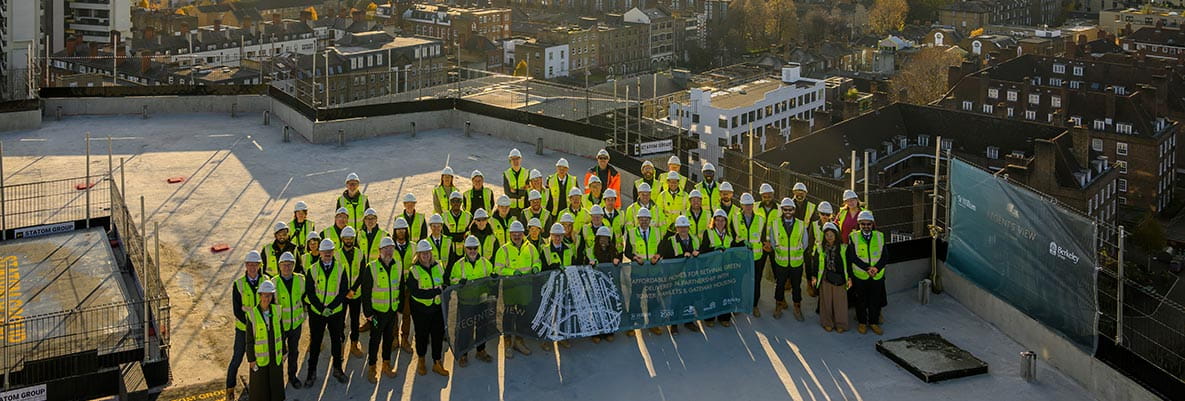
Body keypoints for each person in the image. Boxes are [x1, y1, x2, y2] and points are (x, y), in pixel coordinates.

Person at [304, 239, 349, 384]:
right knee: (315, 342)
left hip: (335, 313)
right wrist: (322, 309)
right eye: (325, 251)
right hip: (317, 314)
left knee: (337, 341)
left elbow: (343, 291)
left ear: (333, 252)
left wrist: (330, 307)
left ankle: (337, 369)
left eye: (330, 251)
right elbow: (310, 292)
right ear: (320, 253)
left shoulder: (341, 269)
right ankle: (311, 373)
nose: (327, 254)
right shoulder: (313, 269)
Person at [494, 221, 541, 356]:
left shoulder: (531, 248)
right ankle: (508, 342)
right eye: (514, 234)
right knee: (508, 315)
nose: (516, 236)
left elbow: (537, 261)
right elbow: (497, 269)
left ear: (522, 234)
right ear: (509, 234)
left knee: (522, 316)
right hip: (510, 290)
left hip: (525, 290)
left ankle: (519, 341)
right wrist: (511, 272)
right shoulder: (503, 250)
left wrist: (537, 267)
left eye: (518, 233)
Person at [227, 251, 268, 401]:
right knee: (237, 358)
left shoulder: (266, 281)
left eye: (255, 265)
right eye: (249, 265)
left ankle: (257, 387)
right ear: (245, 266)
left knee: (259, 359)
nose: (252, 267)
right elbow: (237, 310)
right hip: (243, 329)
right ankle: (230, 389)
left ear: (259, 266)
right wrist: (250, 324)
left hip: (261, 330)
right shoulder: (238, 284)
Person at [448, 236, 495, 366]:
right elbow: (452, 279)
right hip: (466, 303)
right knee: (465, 329)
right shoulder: (459, 265)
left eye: (475, 248)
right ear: (465, 249)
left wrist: (493, 278)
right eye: (470, 248)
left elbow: (492, 279)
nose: (472, 251)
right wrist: (459, 282)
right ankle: (463, 353)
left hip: (482, 301)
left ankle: (481, 351)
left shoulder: (486, 263)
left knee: (482, 327)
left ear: (478, 248)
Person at [360, 237, 401, 383]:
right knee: (375, 340)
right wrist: (368, 313)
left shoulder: (397, 266)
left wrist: (398, 307)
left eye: (391, 248)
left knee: (389, 339)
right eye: (386, 249)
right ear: (380, 251)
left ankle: (386, 364)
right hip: (377, 313)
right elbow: (365, 292)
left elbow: (399, 287)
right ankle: (372, 366)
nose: (389, 251)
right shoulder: (371, 267)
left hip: (391, 311)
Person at [407, 239, 450, 377]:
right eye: (422, 253)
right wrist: (436, 292)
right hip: (421, 310)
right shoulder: (413, 271)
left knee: (437, 336)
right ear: (418, 255)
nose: (425, 255)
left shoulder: (439, 266)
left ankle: (437, 363)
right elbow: (415, 292)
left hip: (436, 309)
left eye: (427, 252)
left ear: (431, 253)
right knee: (421, 336)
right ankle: (421, 360)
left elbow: (445, 283)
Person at [659, 216, 702, 335]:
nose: (683, 230)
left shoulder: (695, 239)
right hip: (676, 277)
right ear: (676, 228)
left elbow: (701, 253)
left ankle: (688, 321)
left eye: (685, 227)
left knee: (689, 300)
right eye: (680, 227)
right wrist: (682, 256)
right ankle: (674, 324)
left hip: (690, 277)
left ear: (689, 228)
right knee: (675, 301)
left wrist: (698, 253)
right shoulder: (670, 241)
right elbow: (667, 259)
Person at [624, 207, 663, 336]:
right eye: (642, 219)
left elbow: (662, 248)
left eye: (646, 219)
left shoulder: (657, 232)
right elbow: (627, 252)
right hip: (638, 272)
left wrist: (657, 256)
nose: (644, 222)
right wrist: (635, 258)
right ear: (638, 220)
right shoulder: (631, 233)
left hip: (653, 272)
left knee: (652, 298)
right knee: (636, 298)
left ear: (650, 220)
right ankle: (632, 324)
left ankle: (653, 324)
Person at [768, 198, 808, 321]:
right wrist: (779, 250)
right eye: (785, 209)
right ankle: (778, 305)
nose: (788, 212)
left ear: (794, 210)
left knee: (796, 286)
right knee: (780, 285)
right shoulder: (775, 224)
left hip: (796, 262)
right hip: (781, 261)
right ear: (782, 210)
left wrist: (798, 252)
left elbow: (805, 242)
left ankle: (797, 307)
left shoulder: (801, 224)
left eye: (790, 209)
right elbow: (773, 240)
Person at [848, 211, 887, 335]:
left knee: (874, 300)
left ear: (872, 224)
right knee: (861, 300)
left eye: (868, 224)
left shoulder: (880, 236)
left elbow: (885, 256)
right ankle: (862, 322)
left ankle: (873, 322)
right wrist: (867, 268)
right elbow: (852, 257)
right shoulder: (853, 237)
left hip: (877, 275)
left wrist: (876, 268)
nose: (866, 226)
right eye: (863, 224)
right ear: (859, 224)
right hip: (861, 275)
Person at [245, 279, 285, 401]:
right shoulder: (252, 314)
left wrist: (283, 351)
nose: (267, 298)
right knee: (260, 387)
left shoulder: (277, 311)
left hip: (275, 355)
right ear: (260, 295)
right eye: (265, 295)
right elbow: (249, 339)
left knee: (275, 383)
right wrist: (251, 359)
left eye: (269, 295)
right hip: (260, 357)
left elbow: (282, 333)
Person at [540, 223, 577, 351]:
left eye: (559, 236)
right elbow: (542, 268)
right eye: (555, 236)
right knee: (548, 313)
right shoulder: (544, 249)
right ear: (551, 236)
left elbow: (573, 265)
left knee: (563, 312)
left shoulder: (568, 249)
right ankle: (546, 339)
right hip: (550, 285)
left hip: (565, 285)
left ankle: (561, 337)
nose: (557, 238)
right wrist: (553, 267)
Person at [701, 209, 739, 327]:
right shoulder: (708, 232)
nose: (720, 223)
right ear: (714, 221)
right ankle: (709, 317)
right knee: (711, 293)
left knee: (725, 292)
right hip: (712, 268)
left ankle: (724, 317)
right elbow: (703, 250)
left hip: (726, 268)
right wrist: (714, 249)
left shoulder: (729, 234)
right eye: (717, 220)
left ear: (726, 222)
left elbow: (734, 246)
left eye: (722, 220)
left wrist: (744, 245)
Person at [273, 252, 306, 388]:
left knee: (294, 351)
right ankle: (276, 379)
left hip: (296, 324)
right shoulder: (273, 283)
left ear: (293, 266)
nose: (287, 267)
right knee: (278, 353)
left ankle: (292, 376)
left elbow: (306, 297)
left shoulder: (300, 280)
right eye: (284, 265)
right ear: (279, 266)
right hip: (280, 326)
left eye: (289, 265)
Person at [333, 225, 366, 356]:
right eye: (346, 238)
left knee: (354, 320)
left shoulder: (359, 253)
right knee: (340, 321)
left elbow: (362, 273)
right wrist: (345, 291)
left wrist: (353, 289)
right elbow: (336, 276)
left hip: (356, 293)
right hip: (342, 295)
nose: (348, 240)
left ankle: (354, 344)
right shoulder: (336, 255)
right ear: (342, 239)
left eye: (350, 238)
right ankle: (340, 344)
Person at [812, 222, 850, 333]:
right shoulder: (820, 248)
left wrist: (849, 278)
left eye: (831, 235)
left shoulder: (843, 248)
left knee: (840, 302)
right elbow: (815, 263)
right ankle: (827, 322)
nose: (829, 237)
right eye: (827, 235)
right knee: (826, 301)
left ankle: (841, 324)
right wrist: (814, 276)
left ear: (836, 235)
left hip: (840, 277)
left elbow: (848, 264)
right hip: (825, 277)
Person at [733, 193, 766, 317]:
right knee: (738, 281)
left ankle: (754, 305)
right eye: (746, 205)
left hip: (756, 256)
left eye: (750, 205)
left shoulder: (760, 219)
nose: (748, 207)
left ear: (753, 205)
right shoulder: (735, 218)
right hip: (741, 256)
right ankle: (738, 304)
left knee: (756, 281)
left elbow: (762, 237)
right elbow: (733, 237)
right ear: (741, 205)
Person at [588, 225, 620, 343]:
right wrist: (590, 262)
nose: (603, 242)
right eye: (601, 239)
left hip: (608, 283)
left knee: (609, 306)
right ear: (597, 239)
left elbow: (617, 260)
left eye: (606, 239)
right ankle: (596, 332)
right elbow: (588, 260)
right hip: (595, 283)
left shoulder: (613, 250)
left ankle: (609, 331)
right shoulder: (591, 250)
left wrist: (617, 260)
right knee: (596, 307)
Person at [390, 218, 416, 354]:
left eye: (403, 229)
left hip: (407, 286)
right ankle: (394, 338)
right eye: (398, 230)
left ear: (407, 231)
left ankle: (405, 339)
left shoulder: (413, 246)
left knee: (407, 314)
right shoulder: (390, 247)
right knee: (394, 313)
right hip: (394, 287)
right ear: (395, 231)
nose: (401, 232)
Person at [805, 201, 836, 298]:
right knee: (815, 272)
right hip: (817, 254)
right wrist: (810, 253)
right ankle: (812, 287)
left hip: (828, 254)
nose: (825, 216)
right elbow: (810, 240)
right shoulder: (814, 225)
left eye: (827, 214)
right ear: (819, 213)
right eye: (823, 214)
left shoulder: (834, 225)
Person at [443, 191, 473, 255]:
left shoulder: (468, 216)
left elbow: (469, 233)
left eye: (458, 201)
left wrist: (453, 235)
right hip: (449, 251)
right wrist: (461, 236)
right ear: (450, 202)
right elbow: (445, 235)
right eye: (453, 201)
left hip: (464, 251)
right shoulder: (444, 216)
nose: (456, 203)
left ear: (461, 202)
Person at [504, 149, 529, 216]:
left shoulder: (526, 173)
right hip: (512, 208)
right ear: (510, 161)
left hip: (524, 206)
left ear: (520, 159)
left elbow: (527, 192)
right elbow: (507, 193)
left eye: (517, 158)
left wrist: (515, 191)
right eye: (513, 159)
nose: (515, 161)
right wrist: (521, 191)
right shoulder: (506, 174)